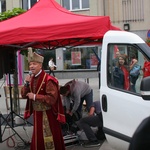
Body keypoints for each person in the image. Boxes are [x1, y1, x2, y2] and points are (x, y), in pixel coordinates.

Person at [21, 48, 66, 150]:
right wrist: (26, 83)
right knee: (38, 138)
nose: (31, 66)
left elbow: (52, 99)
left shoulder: (49, 80)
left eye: (34, 64)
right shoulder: (31, 79)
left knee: (49, 138)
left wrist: (36, 96)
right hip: (37, 114)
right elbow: (24, 95)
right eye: (30, 64)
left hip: (48, 115)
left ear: (40, 65)